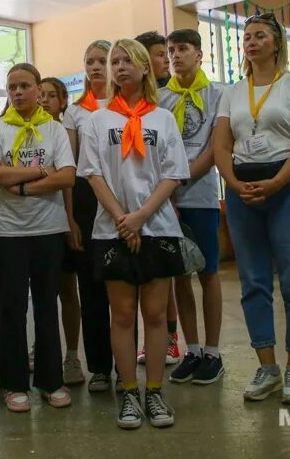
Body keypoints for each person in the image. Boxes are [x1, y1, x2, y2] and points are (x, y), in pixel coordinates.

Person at [79, 39, 189, 429]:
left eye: (129, 61)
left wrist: (140, 216)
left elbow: (173, 173)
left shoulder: (163, 119)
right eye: (115, 61)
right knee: (123, 315)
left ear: (145, 69)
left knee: (156, 314)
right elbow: (92, 173)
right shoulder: (96, 120)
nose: (120, 67)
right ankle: (129, 393)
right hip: (113, 229)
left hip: (156, 226)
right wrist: (122, 218)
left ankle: (154, 392)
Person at [213, 12, 290, 404]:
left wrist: (277, 182)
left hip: (288, 185)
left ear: (276, 43)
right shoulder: (233, 92)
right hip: (243, 188)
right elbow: (221, 146)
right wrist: (234, 184)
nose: (251, 42)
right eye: (247, 37)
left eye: (260, 36)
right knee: (253, 281)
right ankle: (267, 367)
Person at [0, 63, 76, 412]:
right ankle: (14, 383)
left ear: (39, 90)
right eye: (11, 87)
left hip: (48, 230)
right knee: (11, 309)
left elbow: (67, 176)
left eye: (24, 86)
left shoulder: (54, 130)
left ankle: (52, 380)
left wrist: (16, 184)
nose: (18, 92)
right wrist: (37, 173)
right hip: (6, 232)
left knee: (46, 307)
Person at [159, 28, 227, 385]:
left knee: (208, 272)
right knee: (179, 276)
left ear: (199, 55)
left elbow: (216, 150)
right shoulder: (159, 99)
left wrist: (178, 181)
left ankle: (213, 352)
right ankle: (193, 349)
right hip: (166, 203)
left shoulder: (218, 94)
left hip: (199, 197)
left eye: (183, 49)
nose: (175, 56)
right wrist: (164, 189)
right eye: (171, 50)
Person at [61, 41, 117, 392]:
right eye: (90, 62)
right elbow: (70, 168)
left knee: (123, 287)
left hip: (123, 193)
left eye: (102, 61)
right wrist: (71, 218)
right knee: (91, 288)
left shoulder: (130, 105)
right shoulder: (74, 112)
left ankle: (126, 363)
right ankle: (98, 366)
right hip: (85, 198)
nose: (96, 67)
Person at [135, 31, 182, 366]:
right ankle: (156, 339)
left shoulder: (172, 99)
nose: (166, 58)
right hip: (138, 202)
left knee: (170, 275)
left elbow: (173, 158)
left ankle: (170, 337)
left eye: (168, 53)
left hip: (172, 194)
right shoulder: (125, 101)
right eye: (158, 53)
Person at [40, 76, 87, 386]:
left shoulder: (64, 134)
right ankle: (42, 351)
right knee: (42, 292)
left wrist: (70, 219)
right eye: (39, 94)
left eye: (50, 95)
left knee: (68, 290)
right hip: (33, 223)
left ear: (62, 102)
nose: (44, 100)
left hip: (62, 216)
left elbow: (68, 181)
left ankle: (72, 355)